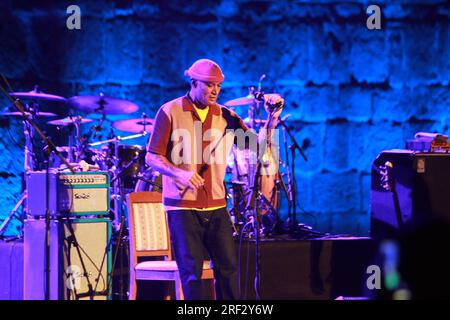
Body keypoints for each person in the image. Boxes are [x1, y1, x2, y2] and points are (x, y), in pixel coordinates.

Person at [145, 58, 284, 300]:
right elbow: (151, 157)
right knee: (192, 274)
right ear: (193, 83)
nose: (215, 91)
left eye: (218, 86)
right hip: (182, 207)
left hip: (218, 205)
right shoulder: (169, 111)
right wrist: (180, 173)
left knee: (228, 269)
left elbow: (258, 148)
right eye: (209, 85)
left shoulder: (226, 116)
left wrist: (272, 119)